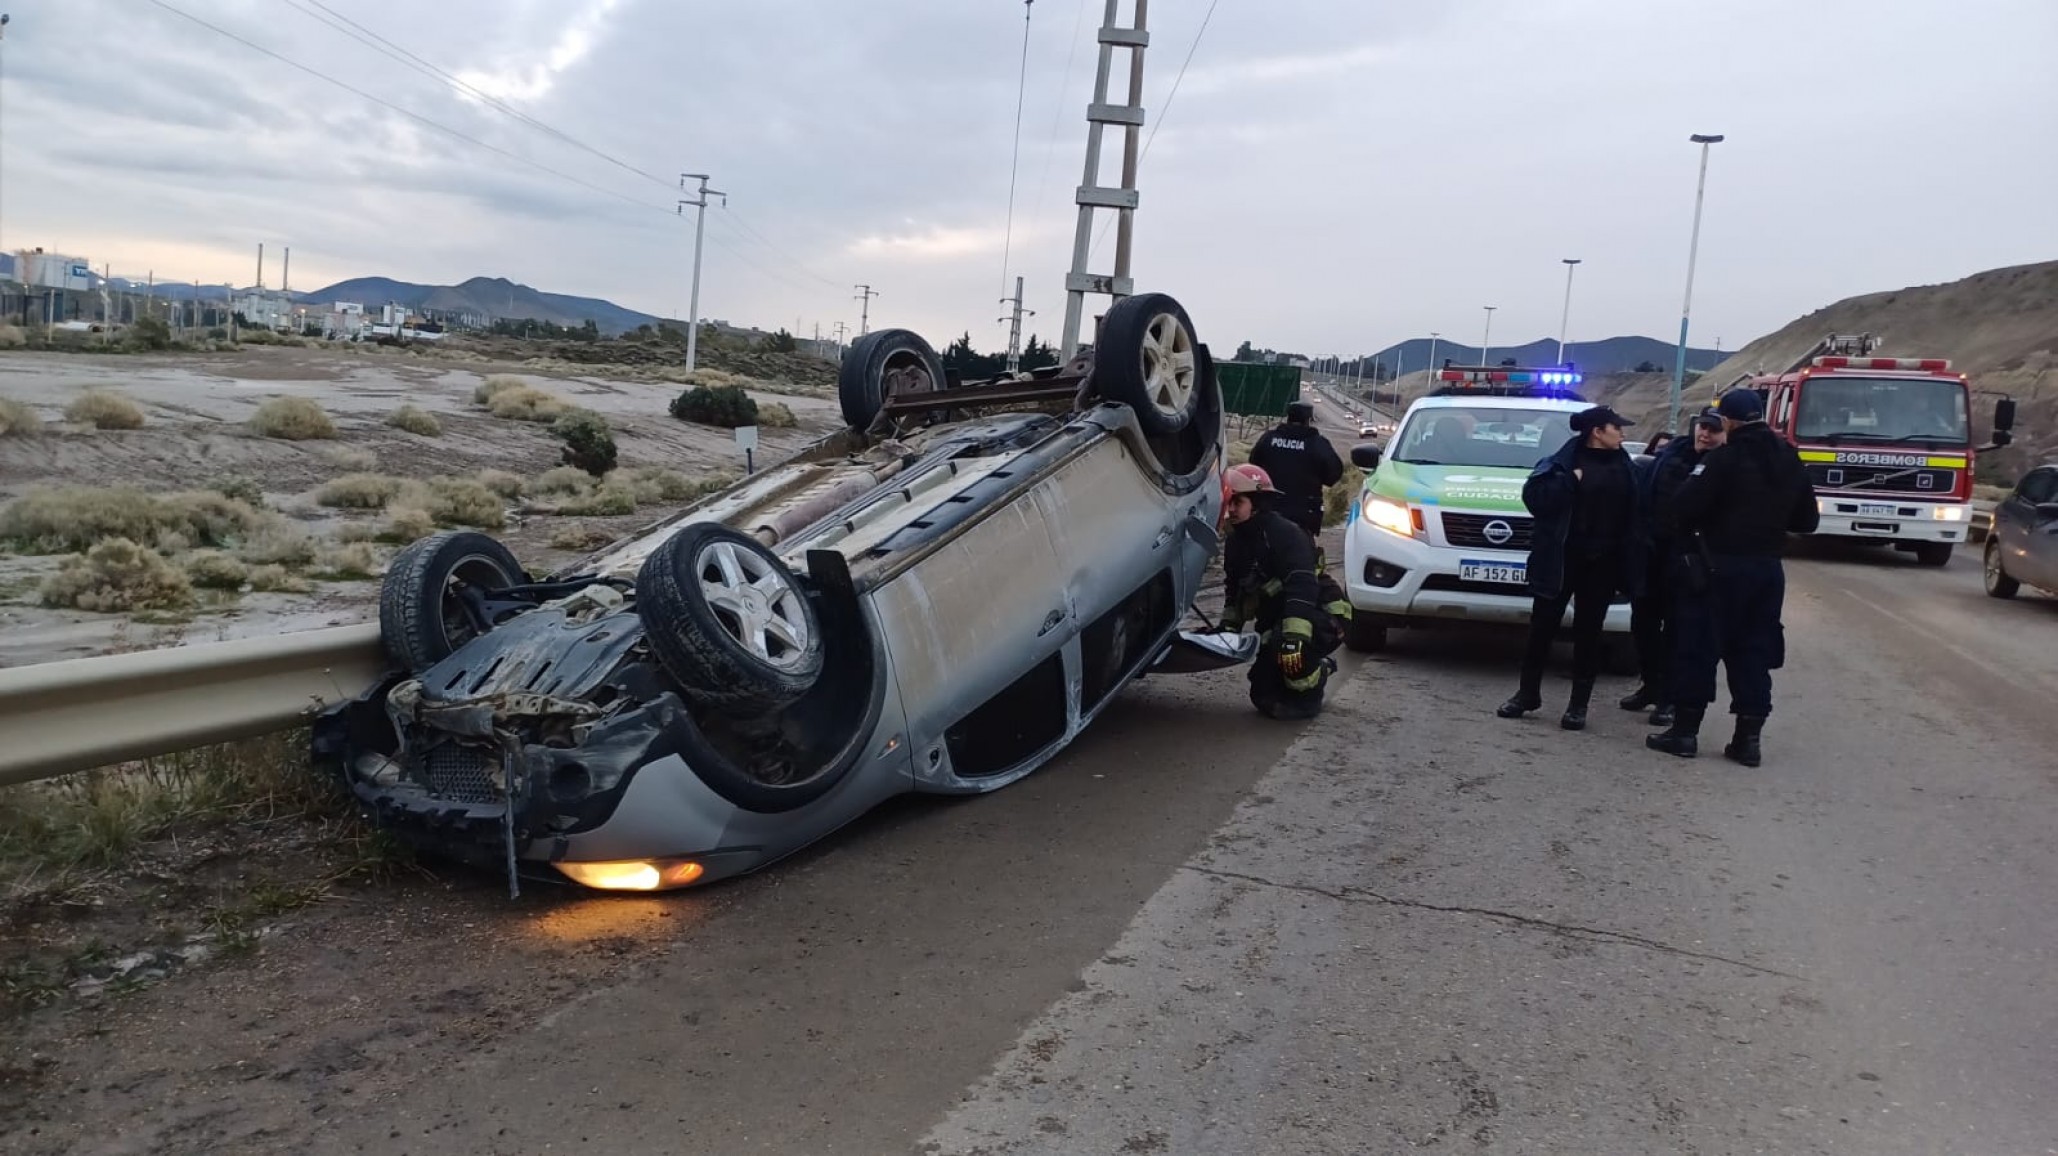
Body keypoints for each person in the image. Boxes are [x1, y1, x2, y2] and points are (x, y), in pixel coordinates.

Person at [1647, 387, 1818, 765]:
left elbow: (1684, 508)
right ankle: (1748, 741)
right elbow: (1808, 520)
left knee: (1698, 648)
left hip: (1716, 568)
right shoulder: (1789, 458)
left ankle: (1685, 734)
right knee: (1754, 652)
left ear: (1727, 420)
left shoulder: (1724, 460)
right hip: (1766, 572)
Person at [1496, 404, 1648, 730]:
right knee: (1542, 630)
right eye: (1616, 427)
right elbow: (1535, 500)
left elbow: (1639, 520)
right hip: (1560, 561)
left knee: (1589, 634)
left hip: (1603, 564)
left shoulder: (1630, 471)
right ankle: (1527, 695)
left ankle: (1578, 706)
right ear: (1597, 431)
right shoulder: (1560, 464)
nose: (1623, 433)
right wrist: (1569, 482)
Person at [1620, 408, 1726, 727]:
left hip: (1691, 560)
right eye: (1702, 427)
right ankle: (1651, 686)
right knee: (1643, 623)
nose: (1704, 434)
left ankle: (1668, 698)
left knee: (1679, 633)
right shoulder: (1673, 452)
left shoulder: (1722, 464)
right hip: (1653, 552)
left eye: (1713, 430)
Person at [1219, 463, 1348, 720]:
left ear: (1257, 502)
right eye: (1228, 501)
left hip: (1320, 614)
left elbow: (1302, 587)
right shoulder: (1236, 543)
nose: (1231, 508)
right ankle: (1296, 663)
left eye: (1238, 501)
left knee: (1292, 653)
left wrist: (1293, 638)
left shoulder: (1284, 534)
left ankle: (1314, 687)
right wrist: (1226, 631)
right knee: (1263, 693)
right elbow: (1234, 592)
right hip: (1279, 622)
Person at [1248, 400, 1344, 540]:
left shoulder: (1268, 439)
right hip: (1305, 514)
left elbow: (1253, 466)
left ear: (1288, 417)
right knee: (1303, 552)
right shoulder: (1318, 444)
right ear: (1308, 420)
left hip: (1269, 508)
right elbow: (1334, 474)